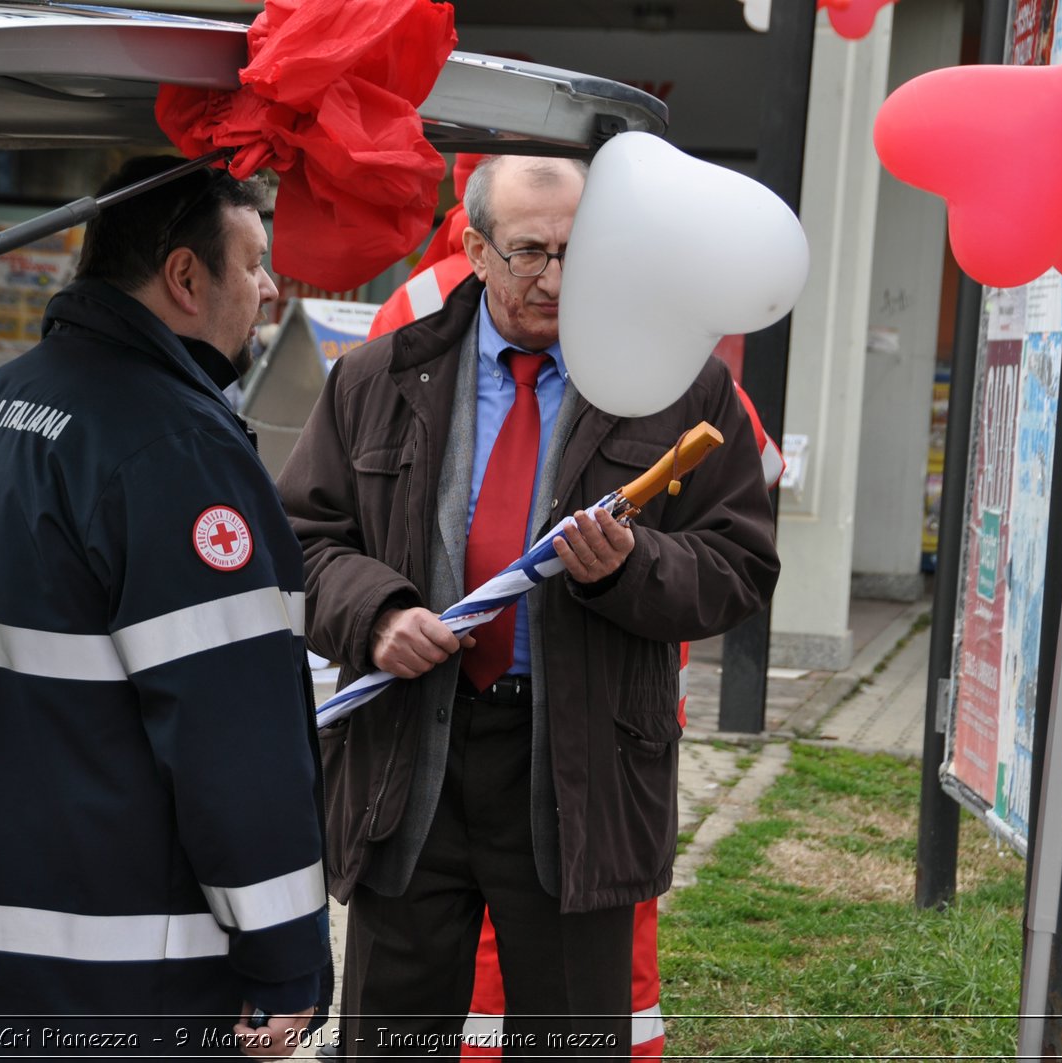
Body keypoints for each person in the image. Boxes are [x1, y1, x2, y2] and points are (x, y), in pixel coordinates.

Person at [278, 154, 779, 1056]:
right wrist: (380, 616)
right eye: (529, 252)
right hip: (410, 755)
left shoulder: (677, 385)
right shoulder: (379, 377)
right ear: (473, 248)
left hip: (578, 764)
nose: (554, 279)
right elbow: (303, 543)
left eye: (576, 254)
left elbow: (740, 563)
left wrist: (632, 567)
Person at [0, 155, 331, 1058]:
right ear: (183, 276)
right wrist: (286, 953)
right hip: (117, 976)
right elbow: (231, 730)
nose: (270, 287)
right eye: (253, 261)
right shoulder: (174, 451)